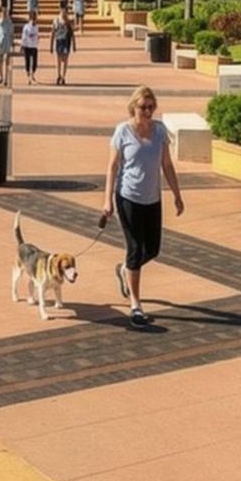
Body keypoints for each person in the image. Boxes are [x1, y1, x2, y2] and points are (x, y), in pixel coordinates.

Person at [99, 86, 184, 328]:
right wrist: (107, 200)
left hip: (152, 199)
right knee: (136, 249)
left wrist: (177, 195)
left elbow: (167, 165)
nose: (147, 112)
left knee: (153, 249)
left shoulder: (159, 132)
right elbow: (112, 167)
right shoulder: (122, 132)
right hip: (127, 197)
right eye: (142, 107)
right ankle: (135, 305)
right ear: (133, 107)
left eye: (151, 107)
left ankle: (125, 268)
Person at [0, 10, 14, 86]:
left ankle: (6, 79)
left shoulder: (9, 23)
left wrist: (12, 44)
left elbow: (12, 34)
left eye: (5, 14)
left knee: (6, 61)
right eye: (3, 15)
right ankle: (0, 75)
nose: (4, 16)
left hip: (6, 44)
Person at [51, 14, 73, 86]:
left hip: (66, 42)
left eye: (65, 11)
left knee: (65, 59)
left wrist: (74, 45)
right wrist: (51, 45)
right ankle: (58, 75)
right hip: (59, 41)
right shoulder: (56, 20)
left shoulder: (68, 21)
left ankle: (63, 77)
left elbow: (72, 33)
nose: (63, 12)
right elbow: (53, 33)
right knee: (59, 60)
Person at [21, 17, 41, 85]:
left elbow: (37, 35)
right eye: (32, 20)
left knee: (35, 63)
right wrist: (23, 45)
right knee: (27, 62)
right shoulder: (26, 27)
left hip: (34, 46)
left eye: (35, 20)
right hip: (27, 46)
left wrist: (37, 40)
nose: (33, 21)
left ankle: (32, 74)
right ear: (30, 19)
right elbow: (24, 36)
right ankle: (28, 77)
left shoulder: (37, 27)